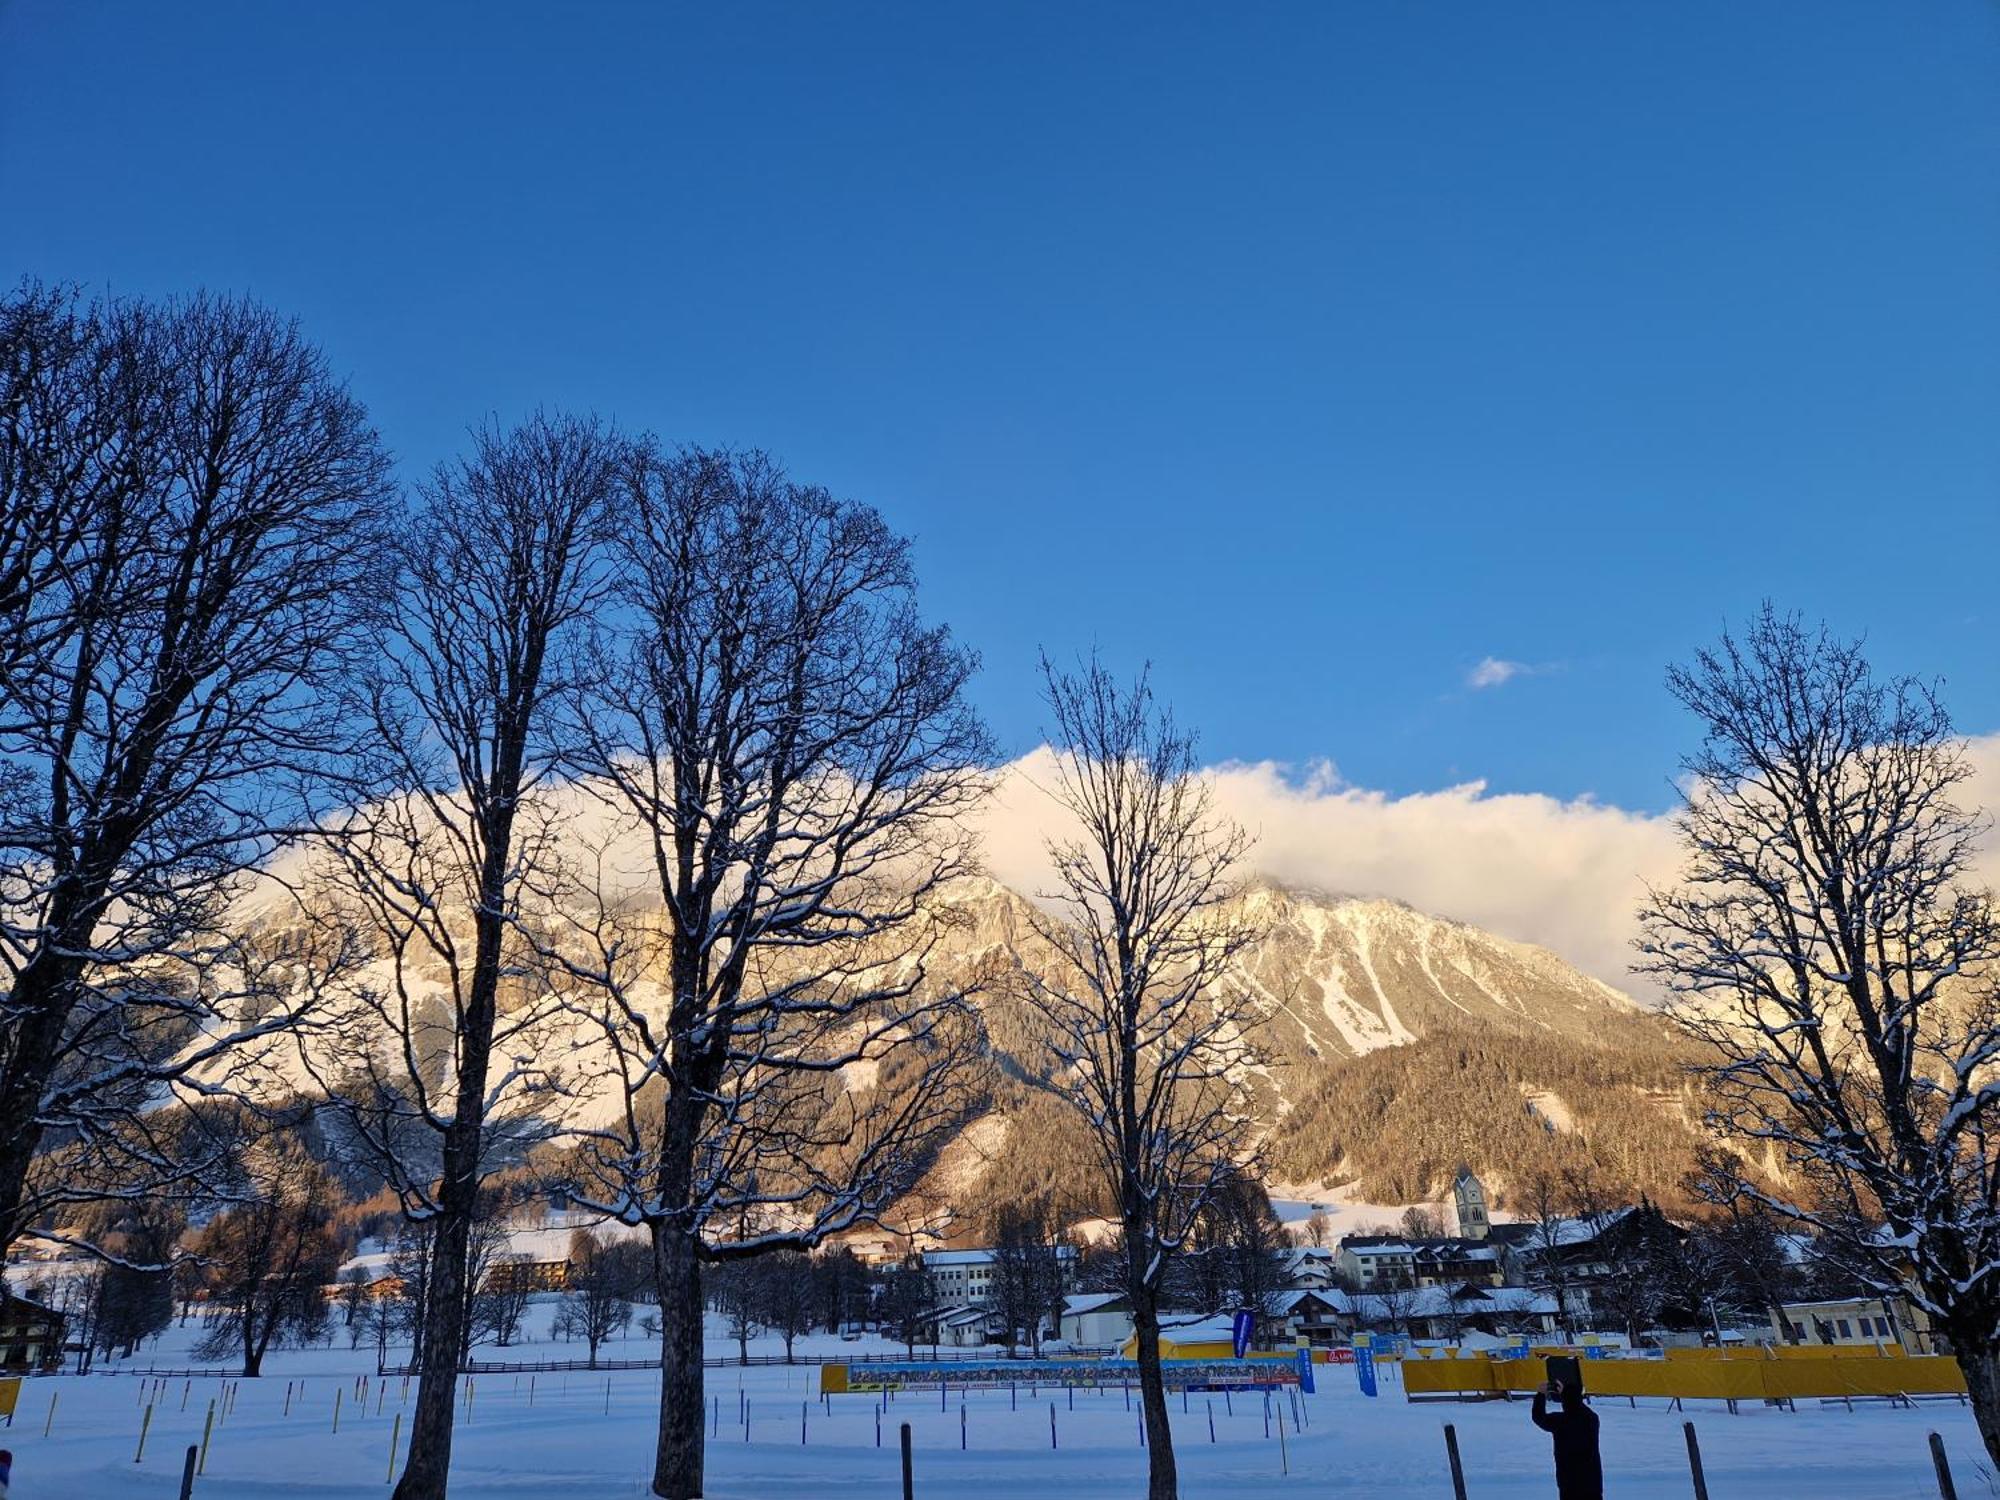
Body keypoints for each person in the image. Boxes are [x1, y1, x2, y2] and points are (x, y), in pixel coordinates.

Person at [1531, 1378, 1602, 1499]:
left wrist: (1541, 1394)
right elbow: (1578, 1405)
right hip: (1592, 1480)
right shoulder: (1591, 1419)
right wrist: (1567, 1394)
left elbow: (1539, 1417)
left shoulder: (1560, 1421)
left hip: (1568, 1480)